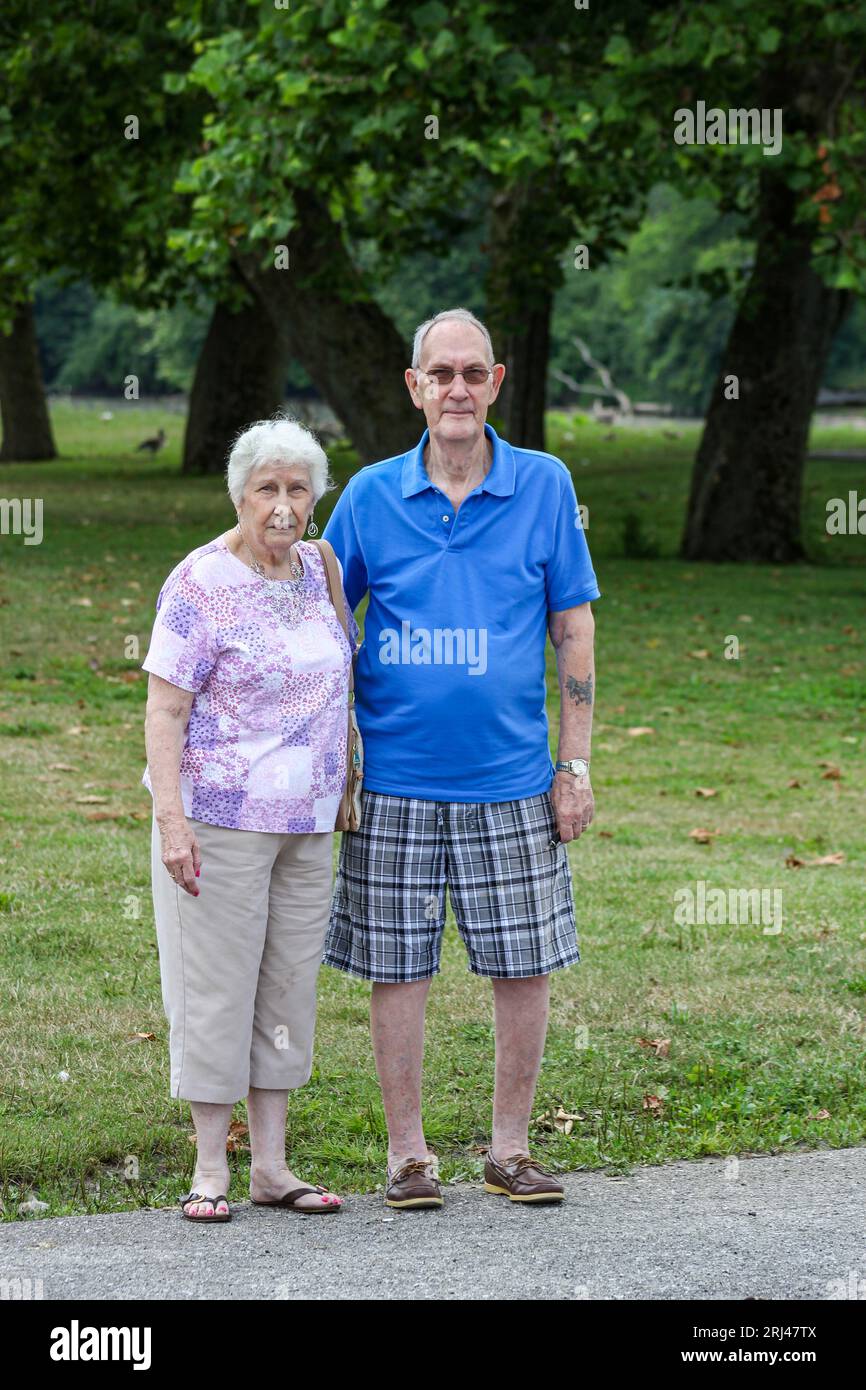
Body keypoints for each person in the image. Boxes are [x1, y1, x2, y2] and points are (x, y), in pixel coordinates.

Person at [323, 308, 600, 1209]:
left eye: (472, 374)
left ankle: (510, 1150)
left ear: (498, 382)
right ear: (414, 387)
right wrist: (336, 760)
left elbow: (573, 626)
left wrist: (576, 765)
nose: (457, 389)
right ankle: (409, 1157)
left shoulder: (545, 484)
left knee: (522, 965)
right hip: (396, 784)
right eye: (440, 374)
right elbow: (324, 616)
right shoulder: (368, 494)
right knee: (398, 969)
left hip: (513, 780)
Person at [142, 417, 358, 1221]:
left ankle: (273, 1165)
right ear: (238, 494)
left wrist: (345, 775)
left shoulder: (319, 567)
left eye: (297, 488)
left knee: (286, 989)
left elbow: (343, 670)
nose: (282, 505)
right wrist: (172, 820)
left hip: (307, 822)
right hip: (220, 816)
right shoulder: (199, 582)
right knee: (214, 988)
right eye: (266, 488)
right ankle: (210, 1168)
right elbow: (164, 711)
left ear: (315, 498)